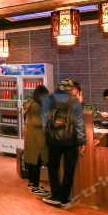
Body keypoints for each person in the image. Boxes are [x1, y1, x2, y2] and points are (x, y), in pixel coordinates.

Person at [41, 78, 86, 207]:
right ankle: (64, 198)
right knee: (69, 170)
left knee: (53, 168)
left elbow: (44, 121)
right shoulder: (75, 101)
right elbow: (79, 123)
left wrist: (47, 134)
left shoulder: (48, 100)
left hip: (53, 141)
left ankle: (55, 196)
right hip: (71, 141)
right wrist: (82, 141)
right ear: (70, 89)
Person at [23, 85, 50, 196]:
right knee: (35, 162)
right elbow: (38, 122)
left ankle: (32, 184)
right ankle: (34, 186)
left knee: (34, 162)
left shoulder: (32, 103)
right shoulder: (36, 106)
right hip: (36, 138)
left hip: (32, 138)